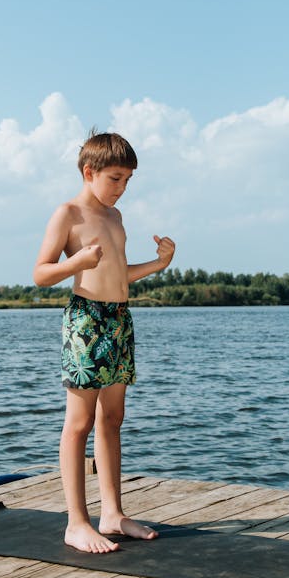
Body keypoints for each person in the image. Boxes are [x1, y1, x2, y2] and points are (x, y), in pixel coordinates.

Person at [33, 130, 175, 553]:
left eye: (128, 180)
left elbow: (117, 275)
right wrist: (74, 262)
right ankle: (76, 522)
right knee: (78, 424)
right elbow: (40, 272)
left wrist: (159, 263)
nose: (122, 188)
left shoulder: (115, 217)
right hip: (87, 321)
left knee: (112, 419)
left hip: (118, 319)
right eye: (116, 178)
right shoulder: (68, 214)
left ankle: (111, 513)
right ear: (89, 171)